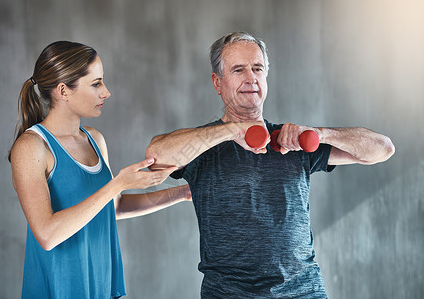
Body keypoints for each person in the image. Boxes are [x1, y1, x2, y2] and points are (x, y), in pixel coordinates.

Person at [145, 32, 395, 298]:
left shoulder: (293, 141)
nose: (250, 78)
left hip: (303, 290)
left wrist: (321, 133)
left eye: (257, 68)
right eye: (238, 70)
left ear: (266, 77)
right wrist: (231, 131)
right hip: (228, 293)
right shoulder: (201, 148)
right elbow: (155, 155)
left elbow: (383, 149)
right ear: (217, 82)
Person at [9, 41, 191, 298]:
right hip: (61, 287)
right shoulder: (31, 147)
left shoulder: (95, 139)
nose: (106, 92)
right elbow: (47, 234)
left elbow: (112, 208)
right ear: (63, 91)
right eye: (96, 84)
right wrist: (117, 184)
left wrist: (183, 193)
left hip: (102, 283)